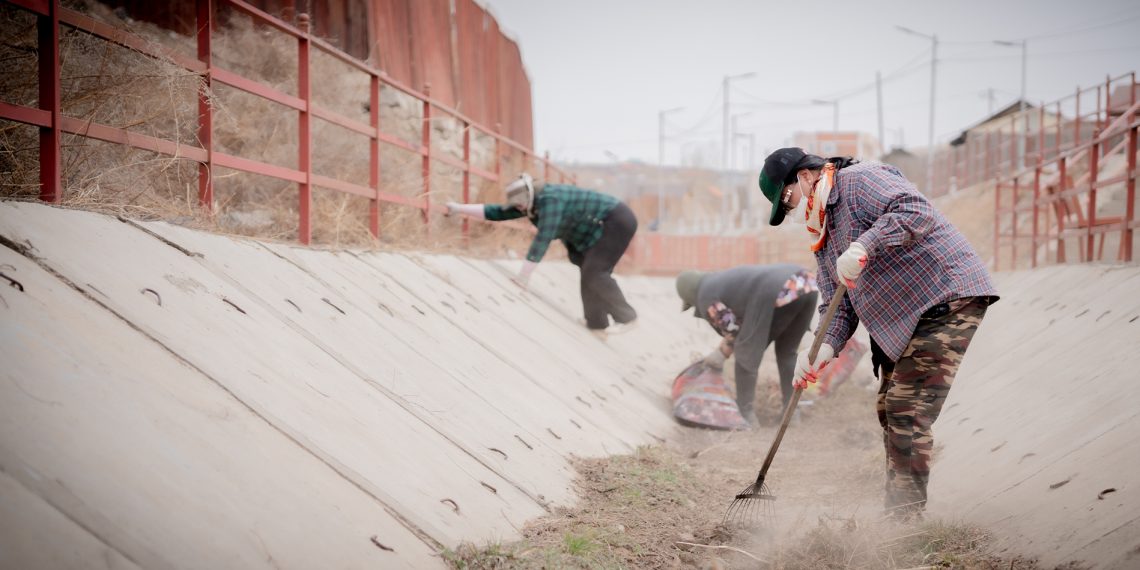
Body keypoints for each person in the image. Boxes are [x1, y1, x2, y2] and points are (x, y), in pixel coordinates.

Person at [757, 147, 999, 519]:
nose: (793, 208)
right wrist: (821, 348)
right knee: (889, 407)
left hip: (944, 294)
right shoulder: (822, 231)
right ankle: (899, 510)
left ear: (803, 176)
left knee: (907, 408)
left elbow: (915, 211)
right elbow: (836, 306)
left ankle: (904, 521)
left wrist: (865, 245)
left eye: (787, 198)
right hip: (904, 317)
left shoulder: (858, 181)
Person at [445, 174, 638, 339]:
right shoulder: (530, 203)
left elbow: (544, 237)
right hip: (599, 227)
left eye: (519, 204)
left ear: (528, 195)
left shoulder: (550, 200)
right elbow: (496, 212)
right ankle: (597, 324)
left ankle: (627, 317)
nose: (518, 208)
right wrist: (458, 208)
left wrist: (523, 276)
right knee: (588, 270)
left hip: (617, 220)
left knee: (595, 272)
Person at [674, 265, 818, 423]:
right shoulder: (718, 280)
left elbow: (733, 328)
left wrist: (721, 354)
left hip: (779, 290)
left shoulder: (705, 295)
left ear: (689, 295)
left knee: (746, 352)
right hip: (807, 282)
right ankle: (791, 414)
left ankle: (745, 414)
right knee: (787, 353)